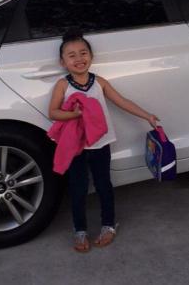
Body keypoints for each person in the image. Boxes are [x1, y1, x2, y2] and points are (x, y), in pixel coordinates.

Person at [48, 33, 159, 253]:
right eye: (71, 55)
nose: (79, 58)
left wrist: (147, 116)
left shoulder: (98, 82)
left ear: (91, 56)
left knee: (103, 185)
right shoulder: (63, 84)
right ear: (63, 62)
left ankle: (109, 225)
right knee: (78, 188)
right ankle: (80, 230)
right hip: (77, 146)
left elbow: (122, 101)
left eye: (83, 53)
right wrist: (74, 115)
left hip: (101, 144)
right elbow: (53, 112)